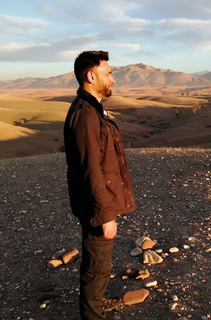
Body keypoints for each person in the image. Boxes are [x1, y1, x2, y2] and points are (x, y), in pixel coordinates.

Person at [64, 50, 136, 320]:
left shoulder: (93, 109)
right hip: (96, 208)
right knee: (97, 267)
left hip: (99, 204)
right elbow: (90, 169)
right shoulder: (85, 115)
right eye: (108, 73)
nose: (113, 79)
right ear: (91, 76)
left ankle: (96, 303)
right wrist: (105, 214)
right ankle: (92, 313)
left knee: (99, 263)